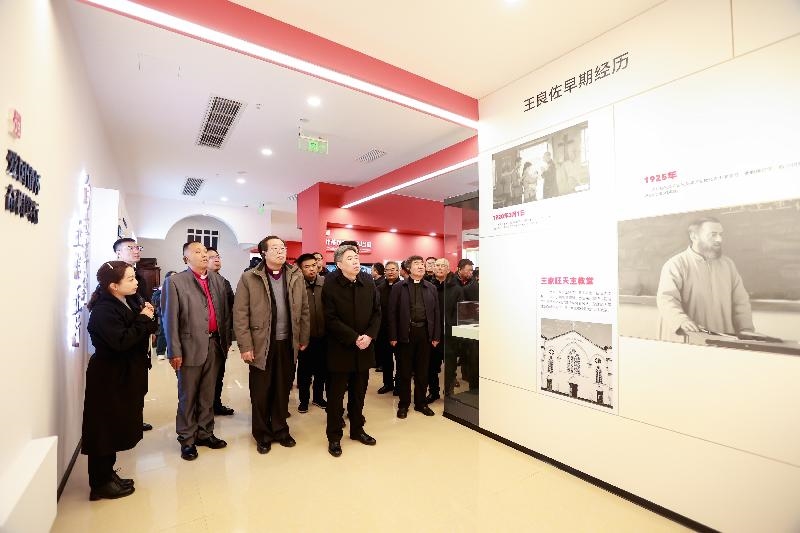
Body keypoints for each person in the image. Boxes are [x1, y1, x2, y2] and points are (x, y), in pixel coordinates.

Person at [82, 261, 157, 500]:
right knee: (104, 429)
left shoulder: (130, 300)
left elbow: (147, 328)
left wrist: (148, 315)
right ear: (113, 285)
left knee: (115, 426)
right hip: (109, 376)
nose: (136, 283)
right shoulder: (104, 310)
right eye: (130, 279)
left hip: (126, 373)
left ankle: (108, 474)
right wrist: (143, 319)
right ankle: (99, 483)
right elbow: (122, 341)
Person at [233, 236, 310, 454]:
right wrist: (245, 346)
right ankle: (262, 434)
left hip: (287, 342)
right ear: (264, 253)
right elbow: (240, 314)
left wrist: (303, 337)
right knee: (261, 392)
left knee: (282, 389)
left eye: (283, 247)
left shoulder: (295, 275)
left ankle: (280, 430)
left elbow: (304, 309)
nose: (280, 251)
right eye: (275, 248)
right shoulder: (250, 277)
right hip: (260, 344)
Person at [163, 242, 233, 461]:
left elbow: (225, 314)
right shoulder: (175, 282)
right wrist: (174, 350)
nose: (204, 255)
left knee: (208, 394)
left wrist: (226, 341)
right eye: (197, 252)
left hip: (214, 344)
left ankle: (205, 433)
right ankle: (187, 439)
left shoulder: (218, 281)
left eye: (205, 251)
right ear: (186, 258)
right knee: (188, 396)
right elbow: (169, 319)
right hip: (188, 347)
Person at [322, 244, 380, 457]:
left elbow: (377, 312)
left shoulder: (368, 280)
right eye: (349, 258)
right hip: (340, 348)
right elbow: (330, 318)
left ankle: (357, 429)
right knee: (336, 396)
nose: (355, 261)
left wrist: (369, 335)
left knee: (359, 393)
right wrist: (354, 337)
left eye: (356, 257)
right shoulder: (330, 283)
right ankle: (334, 436)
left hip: (364, 347)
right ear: (339, 264)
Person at [656, 217, 756, 342]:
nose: (719, 239)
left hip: (723, 339)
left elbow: (740, 301)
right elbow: (666, 299)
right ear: (694, 236)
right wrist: (682, 320)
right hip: (687, 339)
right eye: (713, 235)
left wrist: (746, 329)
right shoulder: (676, 264)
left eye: (720, 234)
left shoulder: (728, 265)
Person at [388, 255, 441, 419]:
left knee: (422, 371)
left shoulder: (431, 287)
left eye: (422, 264)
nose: (421, 266)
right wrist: (393, 335)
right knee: (404, 371)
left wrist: (436, 335)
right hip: (405, 333)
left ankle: (421, 403)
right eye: (416, 264)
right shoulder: (399, 287)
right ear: (409, 268)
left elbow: (436, 313)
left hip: (425, 333)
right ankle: (403, 404)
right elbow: (391, 313)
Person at [113, 237, 154, 432]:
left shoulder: (141, 278)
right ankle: (125, 424)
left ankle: (135, 420)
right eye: (130, 248)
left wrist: (149, 321)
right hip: (126, 339)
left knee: (139, 385)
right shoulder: (112, 278)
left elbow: (144, 303)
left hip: (141, 336)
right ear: (118, 253)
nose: (136, 250)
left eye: (137, 247)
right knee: (125, 387)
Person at [295, 253, 327, 414]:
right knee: (304, 372)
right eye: (307, 267)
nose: (311, 269)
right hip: (305, 338)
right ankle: (303, 401)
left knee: (322, 370)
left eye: (313, 265)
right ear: (300, 269)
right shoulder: (297, 285)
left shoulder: (325, 283)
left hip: (324, 336)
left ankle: (318, 397)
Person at [206, 247, 236, 416]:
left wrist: (229, 338)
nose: (216, 259)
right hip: (203, 338)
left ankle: (216, 404)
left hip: (220, 337)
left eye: (218, 256)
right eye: (211, 257)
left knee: (219, 374)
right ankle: (204, 408)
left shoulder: (224, 282)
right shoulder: (197, 282)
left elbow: (231, 311)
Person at [426, 258, 451, 403]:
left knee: (450, 367)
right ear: (433, 268)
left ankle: (449, 394)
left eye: (443, 266)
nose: (440, 268)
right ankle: (433, 392)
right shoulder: (427, 286)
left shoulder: (455, 287)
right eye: (437, 265)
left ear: (448, 269)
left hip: (449, 334)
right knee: (432, 366)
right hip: (432, 333)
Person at [375, 261, 401, 395]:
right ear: (384, 272)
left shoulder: (404, 287)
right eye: (388, 270)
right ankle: (388, 384)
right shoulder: (379, 288)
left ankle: (399, 385)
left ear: (398, 271)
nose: (390, 272)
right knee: (386, 359)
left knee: (401, 360)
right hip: (383, 329)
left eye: (393, 269)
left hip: (400, 330)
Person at [152, 270, 177, 361]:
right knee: (163, 332)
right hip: (165, 313)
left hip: (177, 313)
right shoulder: (162, 288)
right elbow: (155, 298)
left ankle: (172, 352)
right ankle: (160, 352)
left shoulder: (179, 287)